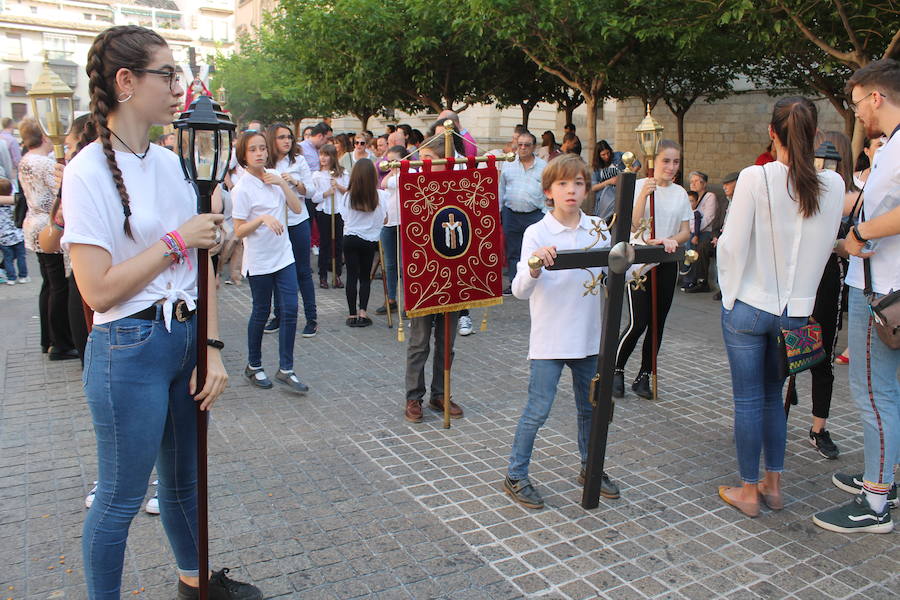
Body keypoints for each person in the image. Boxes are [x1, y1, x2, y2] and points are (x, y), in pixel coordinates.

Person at [61, 25, 261, 598]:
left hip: (184, 336)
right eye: (167, 74)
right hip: (127, 347)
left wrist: (214, 347)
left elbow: (203, 265)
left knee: (183, 482)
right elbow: (97, 291)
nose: (180, 85)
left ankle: (194, 582)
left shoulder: (171, 163)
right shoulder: (87, 172)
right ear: (126, 82)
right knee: (121, 499)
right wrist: (177, 240)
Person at [716, 97, 844, 518]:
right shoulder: (835, 185)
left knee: (750, 401)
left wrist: (730, 294)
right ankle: (774, 483)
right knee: (773, 398)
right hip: (795, 312)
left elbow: (732, 245)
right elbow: (825, 248)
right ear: (814, 136)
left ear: (772, 133)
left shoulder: (757, 177)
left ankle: (750, 490)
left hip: (751, 305)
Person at [503, 153, 620, 510]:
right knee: (537, 411)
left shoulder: (597, 228)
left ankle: (591, 467)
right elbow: (521, 289)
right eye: (563, 184)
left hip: (587, 338)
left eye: (579, 183)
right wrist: (536, 266)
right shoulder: (536, 232)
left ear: (587, 189)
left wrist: (648, 253)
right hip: (550, 340)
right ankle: (516, 474)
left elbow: (619, 273)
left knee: (592, 410)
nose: (571, 190)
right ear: (548, 191)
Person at [814, 59, 900, 533]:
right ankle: (882, 478)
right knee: (888, 393)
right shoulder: (891, 148)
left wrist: (859, 231)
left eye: (857, 103)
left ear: (877, 96)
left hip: (882, 292)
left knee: (874, 395)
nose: (858, 114)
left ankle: (875, 503)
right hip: (882, 286)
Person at [612, 140, 692, 399]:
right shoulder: (638, 186)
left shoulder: (680, 193)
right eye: (665, 161)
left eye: (675, 162)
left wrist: (672, 240)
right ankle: (615, 370)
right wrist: (645, 194)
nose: (671, 167)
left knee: (658, 323)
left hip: (666, 260)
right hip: (640, 262)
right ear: (653, 161)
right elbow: (632, 226)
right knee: (639, 322)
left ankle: (645, 375)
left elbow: (685, 231)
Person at [231, 130, 309, 395]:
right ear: (243, 154)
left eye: (262, 148)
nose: (259, 153)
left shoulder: (273, 178)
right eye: (253, 149)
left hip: (283, 256)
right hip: (260, 261)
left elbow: (298, 210)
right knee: (261, 312)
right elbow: (239, 230)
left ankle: (286, 369)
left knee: (290, 309)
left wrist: (282, 184)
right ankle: (254, 365)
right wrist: (262, 219)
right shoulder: (242, 188)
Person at [802, 130, 859, 460]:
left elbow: (852, 247)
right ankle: (777, 414)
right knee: (788, 352)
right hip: (801, 282)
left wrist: (838, 245)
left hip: (828, 283)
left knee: (821, 357)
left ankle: (818, 428)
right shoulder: (805, 191)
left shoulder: (851, 197)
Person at [404, 137, 464, 423]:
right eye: (421, 157)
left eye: (429, 157)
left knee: (446, 340)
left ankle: (441, 393)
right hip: (424, 275)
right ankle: (413, 396)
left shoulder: (461, 189)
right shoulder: (413, 188)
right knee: (419, 341)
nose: (422, 163)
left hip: (452, 274)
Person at [20, 118, 77, 359]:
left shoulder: (25, 160)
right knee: (58, 286)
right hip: (48, 224)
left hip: (34, 223)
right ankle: (60, 341)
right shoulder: (45, 163)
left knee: (49, 285)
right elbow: (56, 195)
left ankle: (50, 338)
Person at [263, 123, 318, 338]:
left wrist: (295, 182)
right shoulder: (266, 163)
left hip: (298, 220)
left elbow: (312, 192)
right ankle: (279, 315)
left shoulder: (299, 160)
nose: (286, 141)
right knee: (278, 269)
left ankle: (312, 318)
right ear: (272, 140)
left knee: (303, 271)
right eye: (281, 137)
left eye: (289, 137)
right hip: (276, 223)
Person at [500, 131, 547, 295]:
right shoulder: (508, 163)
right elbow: (501, 188)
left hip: (534, 214)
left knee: (533, 250)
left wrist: (545, 213)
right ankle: (514, 282)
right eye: (520, 145)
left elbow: (548, 191)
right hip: (511, 213)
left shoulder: (543, 167)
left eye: (527, 145)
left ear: (534, 147)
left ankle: (533, 282)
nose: (523, 148)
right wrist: (500, 210)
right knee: (513, 250)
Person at [341, 158, 386, 327]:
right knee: (365, 277)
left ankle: (352, 314)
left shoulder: (347, 196)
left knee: (351, 276)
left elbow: (344, 217)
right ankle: (363, 312)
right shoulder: (380, 196)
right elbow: (384, 218)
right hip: (368, 240)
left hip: (350, 238)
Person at [311, 143, 348, 288]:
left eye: (326, 155)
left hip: (339, 211)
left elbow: (349, 192)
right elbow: (314, 197)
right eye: (321, 155)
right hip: (324, 211)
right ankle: (323, 276)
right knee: (325, 243)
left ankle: (337, 274)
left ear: (332, 157)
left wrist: (337, 186)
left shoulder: (343, 174)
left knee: (338, 243)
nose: (323, 158)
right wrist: (327, 193)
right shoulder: (317, 175)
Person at [376, 145, 405, 316]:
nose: (392, 164)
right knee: (390, 264)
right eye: (389, 161)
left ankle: (409, 302)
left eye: (396, 160)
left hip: (404, 223)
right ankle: (391, 298)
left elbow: (389, 183)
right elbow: (384, 183)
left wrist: (394, 171)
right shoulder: (391, 174)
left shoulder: (411, 173)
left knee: (405, 265)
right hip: (389, 223)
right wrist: (392, 170)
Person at [681, 171, 717, 293]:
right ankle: (686, 276)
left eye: (696, 181)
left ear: (704, 183)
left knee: (698, 245)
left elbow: (709, 218)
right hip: (690, 230)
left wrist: (692, 231)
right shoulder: (690, 196)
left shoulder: (710, 196)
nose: (693, 183)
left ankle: (698, 280)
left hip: (705, 231)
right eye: (691, 181)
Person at [710, 171, 738, 301]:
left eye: (728, 184)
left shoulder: (742, 201)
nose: (724, 187)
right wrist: (716, 237)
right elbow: (716, 223)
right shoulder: (723, 201)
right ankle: (722, 288)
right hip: (722, 238)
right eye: (723, 184)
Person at [0, 177, 26, 285]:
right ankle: (23, 276)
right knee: (21, 257)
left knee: (8, 258)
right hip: (18, 235)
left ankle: (11, 278)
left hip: (3, 237)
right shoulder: (16, 203)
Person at [589, 140, 620, 220]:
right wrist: (609, 182)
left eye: (608, 153)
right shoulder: (597, 168)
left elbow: (636, 164)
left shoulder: (618, 156)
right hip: (605, 199)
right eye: (603, 155)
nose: (606, 156)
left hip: (620, 194)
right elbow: (593, 187)